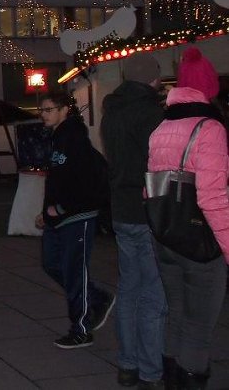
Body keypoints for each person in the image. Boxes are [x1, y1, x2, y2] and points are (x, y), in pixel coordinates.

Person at [147, 47, 229, 389]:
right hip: (200, 241)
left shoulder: (161, 127)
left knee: (177, 318)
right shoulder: (209, 129)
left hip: (165, 235)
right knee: (199, 327)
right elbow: (213, 198)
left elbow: (151, 187)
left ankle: (169, 381)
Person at [100, 53, 167, 388]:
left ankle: (127, 365)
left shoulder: (111, 111)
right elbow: (158, 162)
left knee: (128, 288)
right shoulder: (152, 114)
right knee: (153, 295)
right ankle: (150, 370)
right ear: (151, 79)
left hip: (122, 210)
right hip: (147, 210)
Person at [35, 91, 115, 350]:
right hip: (58, 217)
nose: (43, 114)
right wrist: (47, 210)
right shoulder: (57, 138)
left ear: (64, 110)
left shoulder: (75, 139)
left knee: (74, 270)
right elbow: (57, 180)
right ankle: (97, 298)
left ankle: (81, 329)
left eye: (49, 109)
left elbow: (84, 182)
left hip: (77, 216)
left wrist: (61, 207)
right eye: (42, 110)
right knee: (51, 264)